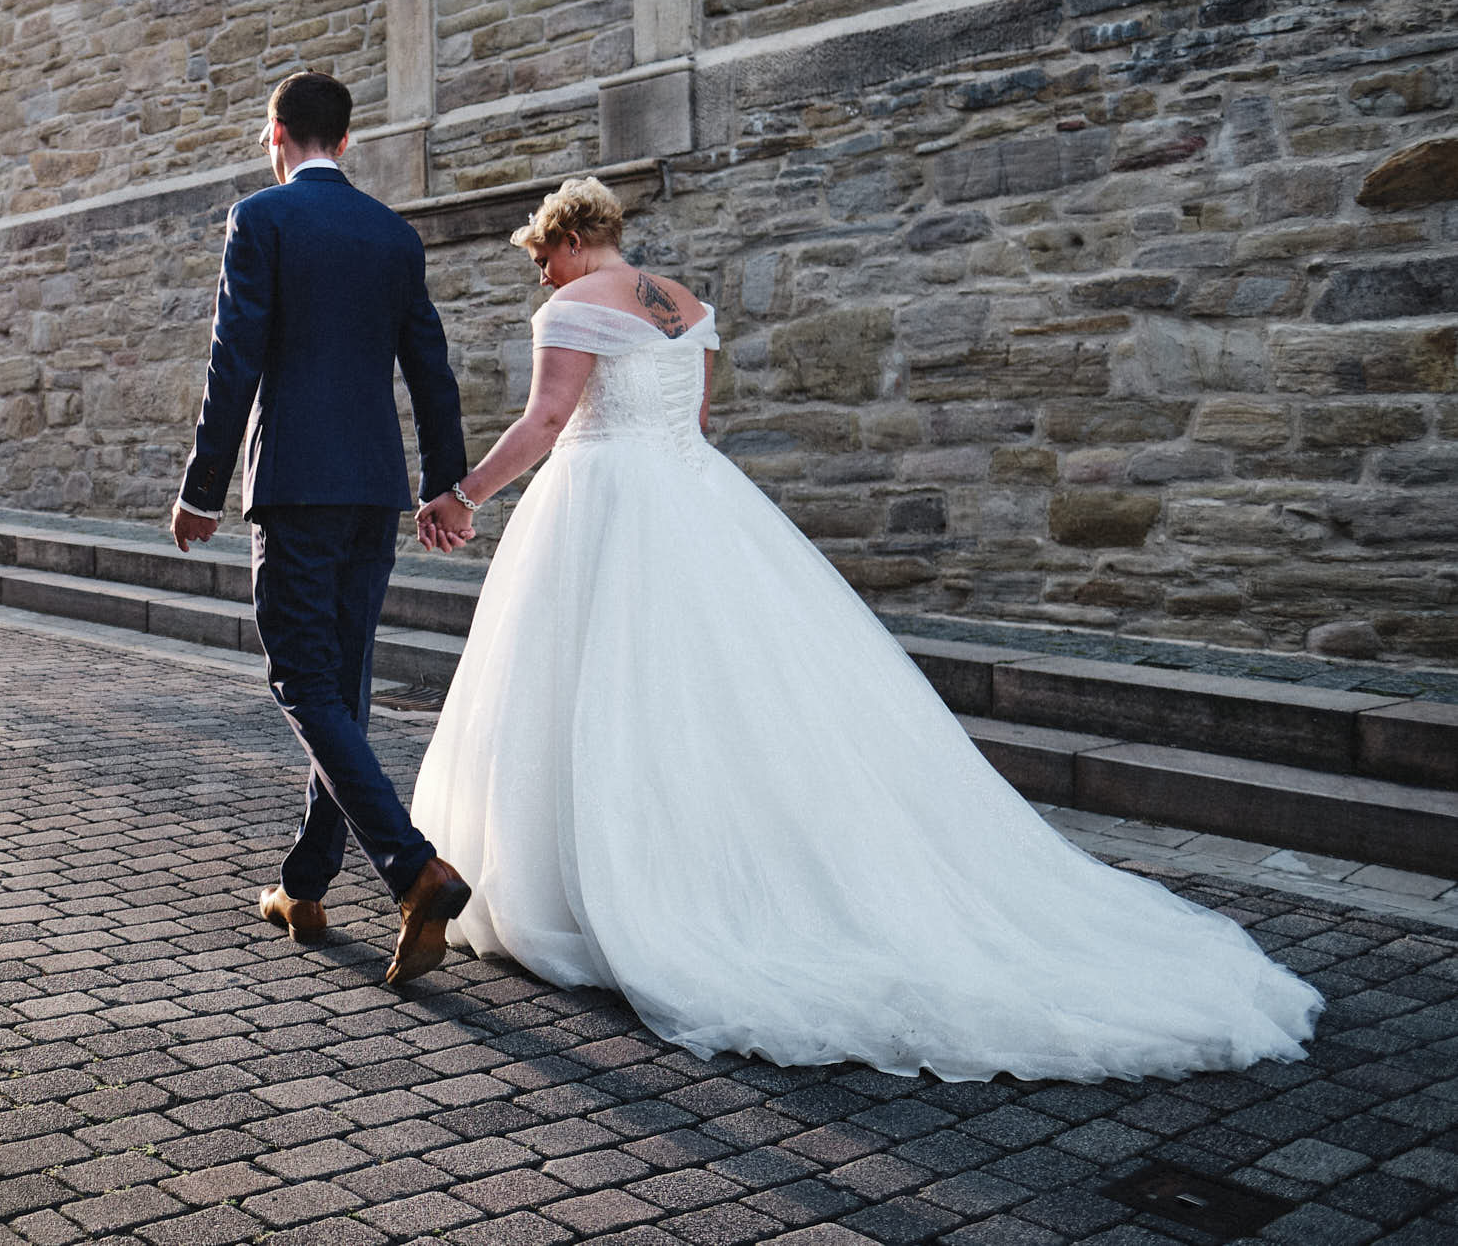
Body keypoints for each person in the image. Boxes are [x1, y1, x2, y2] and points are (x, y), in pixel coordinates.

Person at [405, 176, 1321, 1080]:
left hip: (603, 502)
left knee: (615, 696)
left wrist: (463, 493)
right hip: (695, 501)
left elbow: (550, 417)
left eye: (540, 260)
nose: (542, 279)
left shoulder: (571, 309)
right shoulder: (690, 307)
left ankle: (614, 882)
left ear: (566, 241)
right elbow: (698, 421)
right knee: (730, 694)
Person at [172, 70, 475, 987]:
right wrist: (443, 485)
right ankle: (305, 883)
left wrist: (201, 486)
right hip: (374, 488)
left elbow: (235, 360)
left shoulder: (261, 220)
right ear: (346, 141)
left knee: (303, 676)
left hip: (296, 485)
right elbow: (433, 369)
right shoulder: (393, 233)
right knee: (338, 683)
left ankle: (412, 866)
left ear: (276, 134)